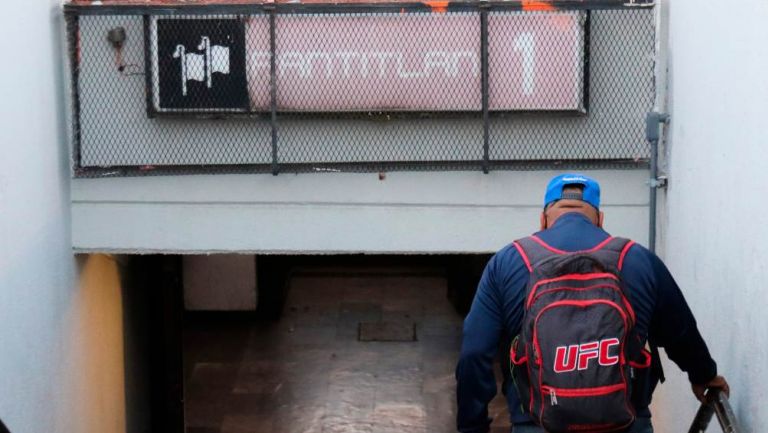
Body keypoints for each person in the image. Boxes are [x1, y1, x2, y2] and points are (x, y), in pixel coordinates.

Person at [455, 173, 729, 433]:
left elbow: (474, 353)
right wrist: (704, 374)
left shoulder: (507, 262)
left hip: (536, 422)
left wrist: (473, 425)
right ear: (599, 219)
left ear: (542, 219)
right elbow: (681, 332)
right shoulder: (637, 259)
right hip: (627, 423)